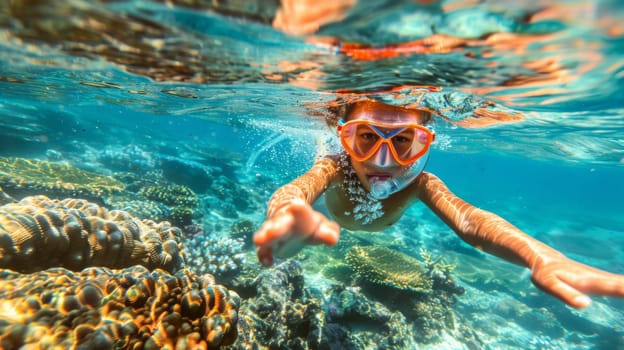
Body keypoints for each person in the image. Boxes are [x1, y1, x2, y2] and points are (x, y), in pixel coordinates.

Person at [253, 98, 624, 309]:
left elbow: (470, 222)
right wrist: (286, 216)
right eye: (365, 138)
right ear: (344, 137)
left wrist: (537, 255)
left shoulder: (423, 184)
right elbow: (298, 190)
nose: (383, 160)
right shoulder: (335, 165)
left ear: (422, 146)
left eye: (403, 142)